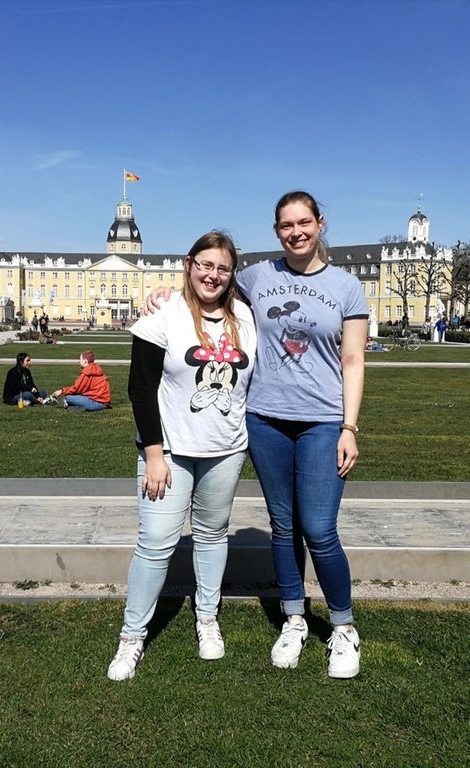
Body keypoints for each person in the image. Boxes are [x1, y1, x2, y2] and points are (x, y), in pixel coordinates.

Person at [146, 191, 368, 680]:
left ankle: (343, 626)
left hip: (323, 419)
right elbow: (208, 285)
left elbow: (353, 359)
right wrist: (163, 296)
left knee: (320, 528)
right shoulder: (257, 278)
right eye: (286, 225)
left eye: (304, 222)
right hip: (264, 418)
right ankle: (293, 618)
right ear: (277, 231)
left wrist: (349, 426)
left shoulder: (347, 286)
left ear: (319, 223)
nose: (296, 232)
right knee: (283, 525)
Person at [106, 231, 256, 682]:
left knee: (212, 535)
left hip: (226, 450)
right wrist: (154, 454)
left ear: (232, 273)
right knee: (155, 545)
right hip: (169, 452)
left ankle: (207, 619)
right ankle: (132, 637)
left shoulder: (244, 317)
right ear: (189, 264)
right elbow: (139, 387)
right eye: (205, 265)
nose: (213, 275)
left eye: (223, 268)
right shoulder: (165, 315)